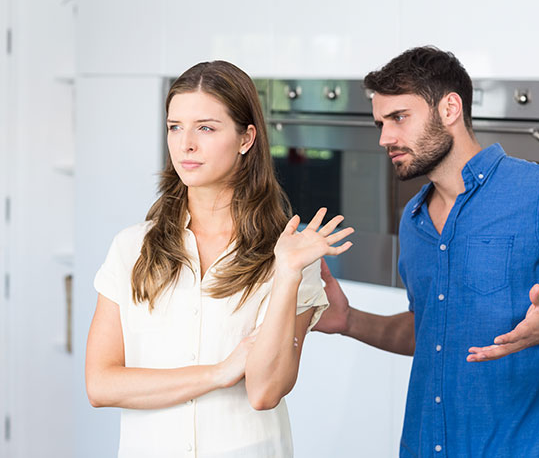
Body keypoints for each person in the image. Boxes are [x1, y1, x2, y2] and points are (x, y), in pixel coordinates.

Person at [314, 46, 539, 457]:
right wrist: (349, 320)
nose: (386, 138)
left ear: (450, 108)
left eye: (399, 117)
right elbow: (429, 332)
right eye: (381, 123)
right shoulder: (415, 219)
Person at [85, 60, 353, 458]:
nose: (185, 144)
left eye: (205, 128)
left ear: (246, 139)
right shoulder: (131, 248)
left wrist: (287, 275)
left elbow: (265, 391)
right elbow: (101, 385)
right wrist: (218, 373)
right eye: (175, 127)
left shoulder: (289, 255)